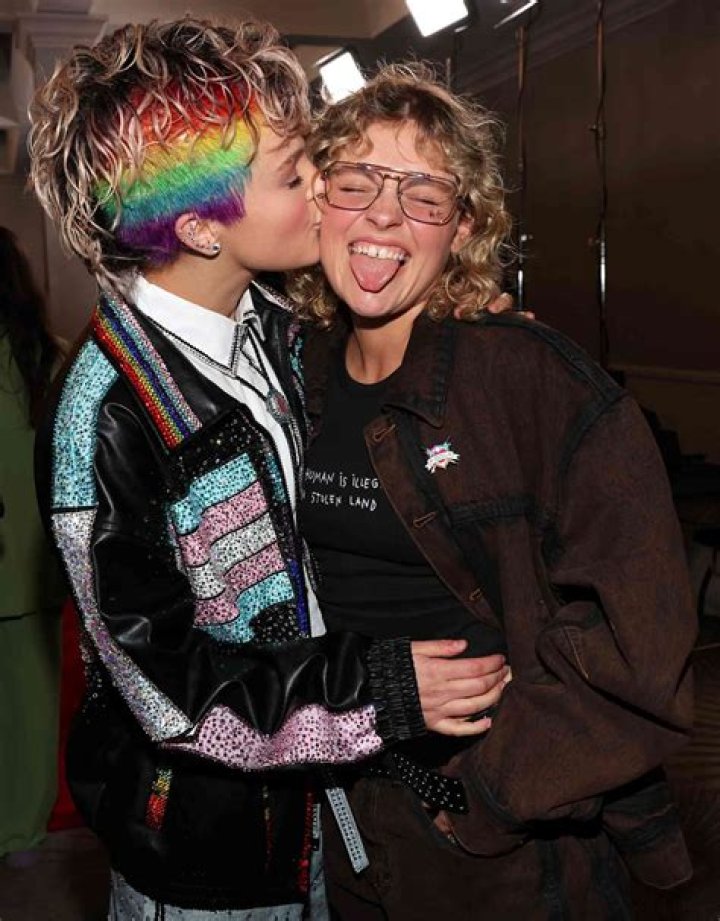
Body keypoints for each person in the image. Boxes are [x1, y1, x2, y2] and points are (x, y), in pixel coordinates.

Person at [28, 20, 508, 921]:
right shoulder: (106, 412)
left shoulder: (281, 333)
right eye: (294, 176)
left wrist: (466, 327)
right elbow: (169, 695)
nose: (324, 185)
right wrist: (381, 687)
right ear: (201, 227)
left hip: (318, 817)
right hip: (207, 860)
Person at [295, 64, 697, 920]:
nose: (385, 214)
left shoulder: (525, 378)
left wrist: (489, 792)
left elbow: (645, 635)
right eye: (357, 180)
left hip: (494, 843)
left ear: (465, 226)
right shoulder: (291, 371)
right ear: (316, 199)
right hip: (336, 809)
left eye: (425, 194)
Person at [0, 227, 66, 865]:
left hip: (16, 558)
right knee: (34, 708)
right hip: (36, 560)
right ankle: (22, 828)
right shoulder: (47, 357)